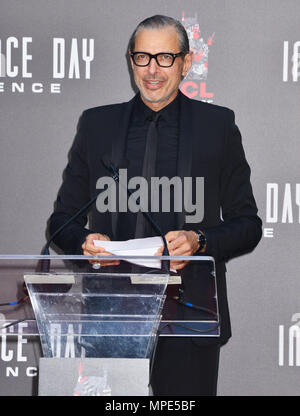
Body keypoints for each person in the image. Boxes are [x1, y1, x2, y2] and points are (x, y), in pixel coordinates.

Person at [48, 15, 262, 395]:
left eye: (164, 58)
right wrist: (83, 242)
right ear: (131, 60)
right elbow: (62, 222)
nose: (152, 70)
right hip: (110, 320)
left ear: (186, 62)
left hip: (191, 318)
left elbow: (247, 224)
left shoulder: (218, 126)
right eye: (142, 57)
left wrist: (200, 240)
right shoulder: (97, 126)